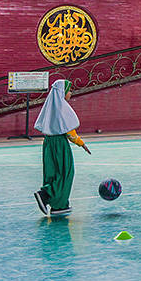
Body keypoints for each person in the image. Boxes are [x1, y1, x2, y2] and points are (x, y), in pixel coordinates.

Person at [33, 79, 92, 217]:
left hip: (48, 142)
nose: (71, 93)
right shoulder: (61, 108)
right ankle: (47, 196)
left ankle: (56, 203)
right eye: (69, 91)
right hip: (60, 144)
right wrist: (81, 143)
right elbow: (69, 132)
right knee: (65, 172)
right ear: (62, 93)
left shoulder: (51, 107)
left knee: (52, 173)